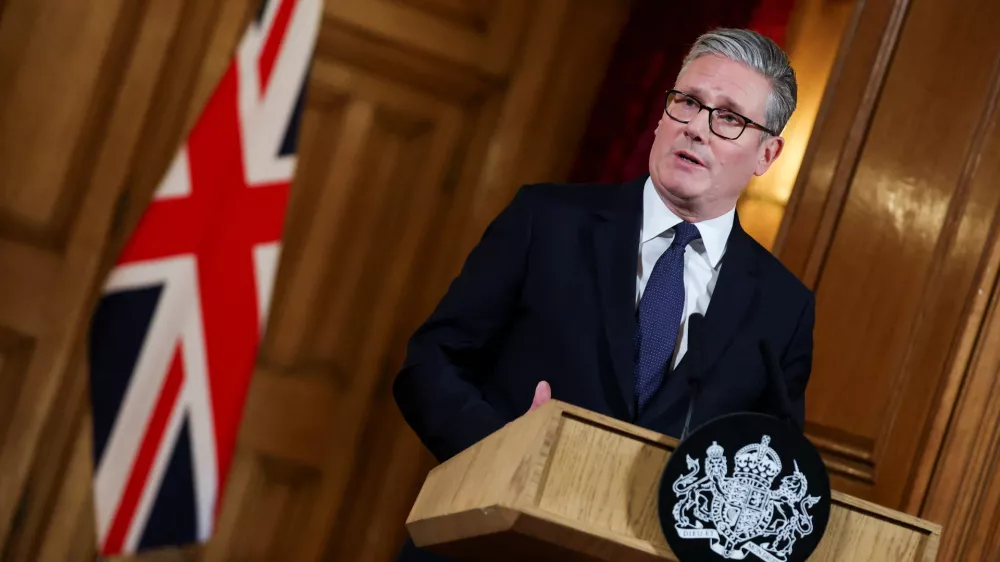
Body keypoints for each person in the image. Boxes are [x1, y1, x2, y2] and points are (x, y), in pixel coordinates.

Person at [393, 28, 814, 561]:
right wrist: (499, 449)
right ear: (662, 116)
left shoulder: (784, 309)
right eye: (686, 103)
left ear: (766, 154)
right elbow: (429, 364)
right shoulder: (546, 221)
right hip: (483, 545)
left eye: (729, 118)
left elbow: (772, 466)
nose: (696, 129)